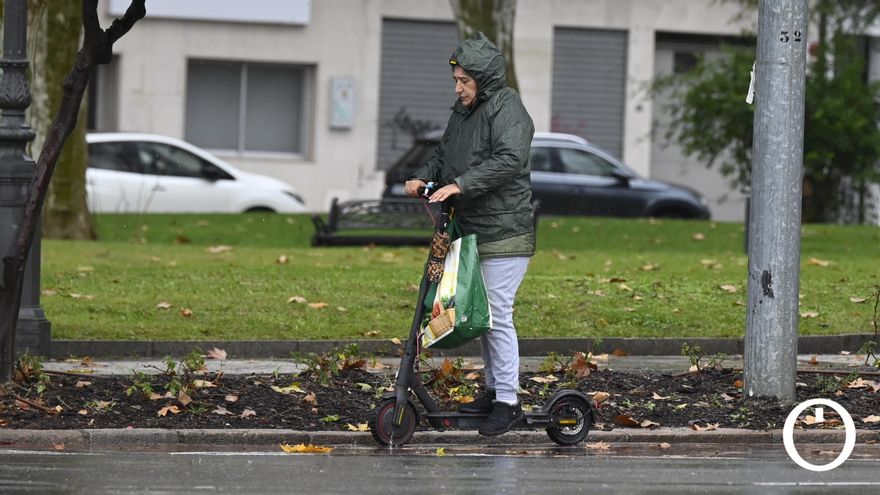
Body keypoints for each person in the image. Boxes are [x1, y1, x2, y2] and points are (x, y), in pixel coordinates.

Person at [405, 32, 535, 437]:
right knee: (480, 316)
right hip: (473, 231)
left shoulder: (507, 107)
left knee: (496, 315)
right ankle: (495, 391)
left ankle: (509, 402)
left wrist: (461, 184)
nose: (458, 87)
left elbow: (510, 159)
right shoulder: (463, 112)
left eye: (465, 80)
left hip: (505, 230)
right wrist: (424, 175)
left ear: (483, 78)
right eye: (456, 80)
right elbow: (445, 153)